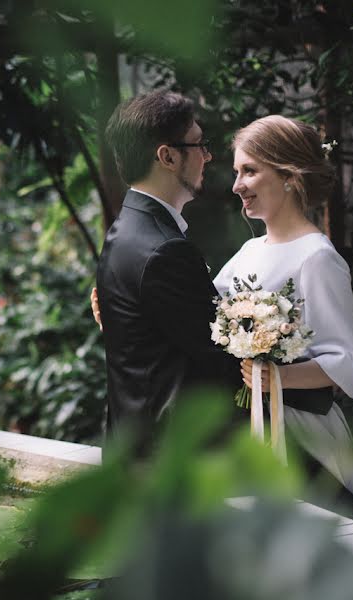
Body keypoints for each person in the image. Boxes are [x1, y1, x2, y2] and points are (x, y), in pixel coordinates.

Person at [92, 114, 353, 525]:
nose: (236, 184)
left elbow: (348, 362)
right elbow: (204, 325)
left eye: (250, 171)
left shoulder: (318, 258)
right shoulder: (248, 252)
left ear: (290, 176)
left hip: (296, 428)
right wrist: (126, 313)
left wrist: (273, 377)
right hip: (252, 426)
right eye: (237, 171)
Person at [95, 89, 240, 457]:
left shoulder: (126, 229)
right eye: (199, 145)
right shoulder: (164, 249)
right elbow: (218, 355)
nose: (207, 156)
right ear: (168, 156)